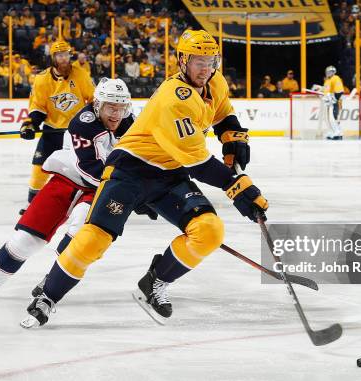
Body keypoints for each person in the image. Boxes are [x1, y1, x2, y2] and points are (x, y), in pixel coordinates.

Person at [21, 29, 267, 328]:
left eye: (211, 60)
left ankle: (155, 282)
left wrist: (231, 134)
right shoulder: (172, 99)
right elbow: (200, 163)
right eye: (198, 61)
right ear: (182, 61)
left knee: (209, 232)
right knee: (93, 241)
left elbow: (222, 112)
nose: (206, 68)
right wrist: (238, 186)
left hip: (170, 173)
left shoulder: (214, 81)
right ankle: (47, 295)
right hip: (131, 170)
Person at [0, 78, 134, 299]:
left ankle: (52, 280)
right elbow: (93, 169)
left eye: (121, 108)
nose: (117, 114)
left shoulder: (131, 122)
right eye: (112, 107)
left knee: (80, 234)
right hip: (70, 179)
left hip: (100, 190)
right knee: (25, 239)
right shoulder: (83, 123)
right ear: (98, 105)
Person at [19, 40, 95, 209]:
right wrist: (31, 124)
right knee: (39, 166)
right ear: (53, 57)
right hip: (52, 130)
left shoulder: (80, 74)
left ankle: (83, 201)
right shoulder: (42, 79)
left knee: (81, 167)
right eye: (60, 55)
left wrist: (90, 121)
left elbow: (92, 99)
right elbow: (38, 105)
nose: (64, 59)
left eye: (66, 55)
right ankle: (32, 204)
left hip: (77, 131)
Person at [312, 65, 344, 140]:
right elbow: (326, 90)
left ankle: (338, 132)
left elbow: (339, 91)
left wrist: (334, 99)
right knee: (327, 118)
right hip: (328, 103)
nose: (328, 73)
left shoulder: (336, 78)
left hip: (334, 102)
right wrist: (319, 88)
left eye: (330, 71)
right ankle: (332, 131)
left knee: (333, 118)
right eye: (327, 71)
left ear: (333, 72)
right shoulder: (327, 80)